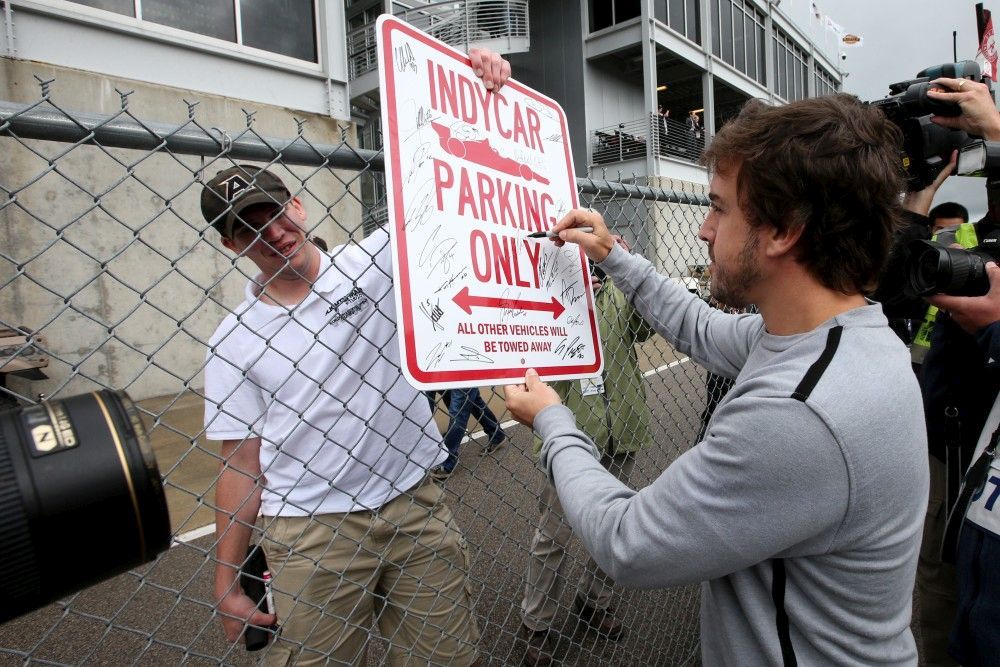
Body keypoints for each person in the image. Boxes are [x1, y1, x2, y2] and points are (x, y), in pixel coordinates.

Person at [505, 94, 929, 664]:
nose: (703, 229)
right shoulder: (849, 339)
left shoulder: (798, 412)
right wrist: (613, 255)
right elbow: (699, 328)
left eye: (719, 207)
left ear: (782, 230)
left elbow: (628, 541)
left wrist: (553, 422)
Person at [203, 48, 510, 666]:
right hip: (311, 531)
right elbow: (241, 466)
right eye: (248, 227)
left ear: (298, 207)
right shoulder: (233, 339)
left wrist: (475, 84)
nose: (272, 233)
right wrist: (226, 581)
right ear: (234, 245)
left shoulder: (371, 264)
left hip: (412, 503)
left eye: (275, 212)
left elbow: (447, 187)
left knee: (445, 659)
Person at [519, 238, 654, 666]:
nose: (588, 267)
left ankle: (594, 600)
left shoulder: (617, 291)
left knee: (611, 525)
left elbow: (644, 329)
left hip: (622, 427)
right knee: (554, 535)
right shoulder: (546, 298)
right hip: (572, 432)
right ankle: (535, 622)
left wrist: (626, 270)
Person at [429, 386, 507, 480]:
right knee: (471, 401)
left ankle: (448, 461)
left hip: (458, 373)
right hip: (434, 373)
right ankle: (496, 434)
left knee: (458, 411)